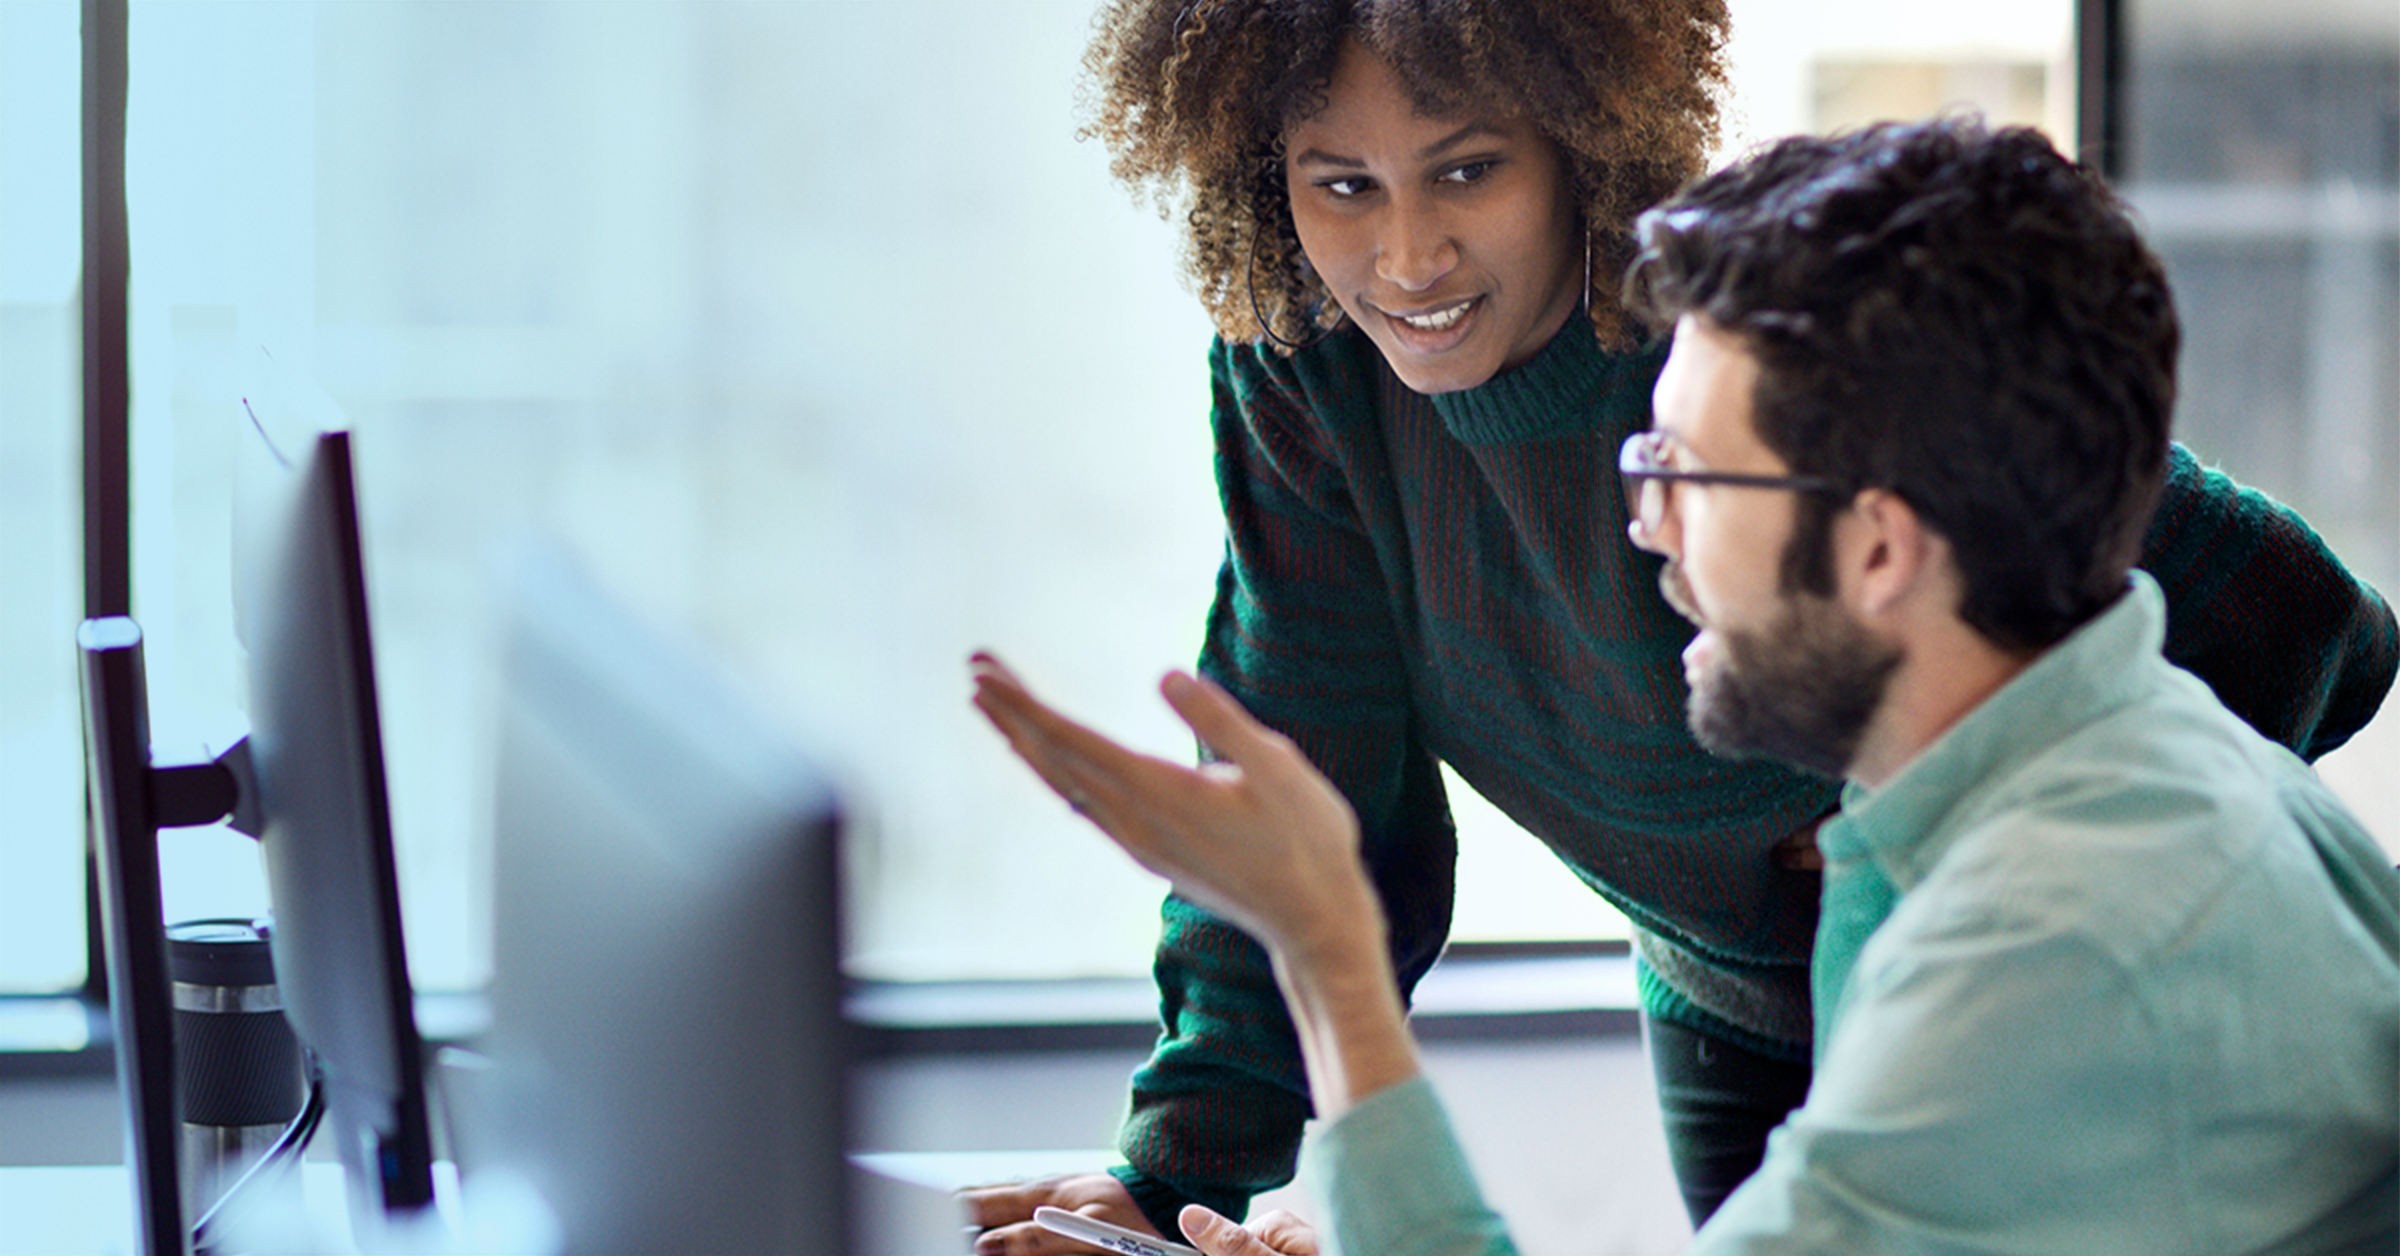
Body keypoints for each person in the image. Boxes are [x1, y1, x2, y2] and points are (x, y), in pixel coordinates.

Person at [963, 2, 2400, 1249]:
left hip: (1971, 946)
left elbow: (2293, 627)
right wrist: (1173, 1179)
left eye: (1464, 169)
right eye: (1343, 185)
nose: (1405, 255)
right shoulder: (1312, 385)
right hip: (1773, 983)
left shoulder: (1763, 348)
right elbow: (1302, 757)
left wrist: (1930, 827)